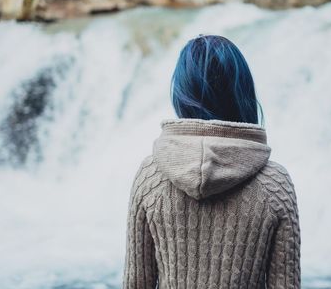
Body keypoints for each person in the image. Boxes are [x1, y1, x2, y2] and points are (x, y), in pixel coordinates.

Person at [123, 35, 300, 289]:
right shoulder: (274, 185)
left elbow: (135, 284)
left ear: (182, 94)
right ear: (242, 92)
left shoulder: (151, 176)